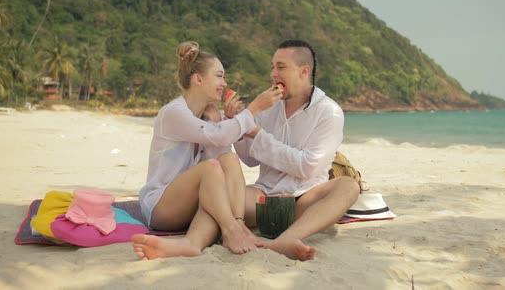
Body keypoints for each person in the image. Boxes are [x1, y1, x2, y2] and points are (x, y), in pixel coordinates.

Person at [131, 41, 282, 259]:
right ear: (198, 80)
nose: (224, 83)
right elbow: (216, 146)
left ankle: (199, 241)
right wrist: (254, 108)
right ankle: (231, 230)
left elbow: (221, 155)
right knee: (210, 168)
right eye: (219, 76)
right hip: (161, 207)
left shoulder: (208, 117)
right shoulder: (173, 112)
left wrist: (221, 120)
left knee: (228, 159)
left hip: (192, 204)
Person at [225, 40, 360, 261]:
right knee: (215, 198)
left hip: (305, 200)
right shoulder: (267, 107)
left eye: (280, 67)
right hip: (263, 197)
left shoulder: (329, 112)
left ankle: (287, 239)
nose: (273, 73)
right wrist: (240, 127)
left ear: (303, 71)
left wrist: (257, 133)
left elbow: (307, 167)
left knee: (348, 187)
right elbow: (249, 159)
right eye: (272, 67)